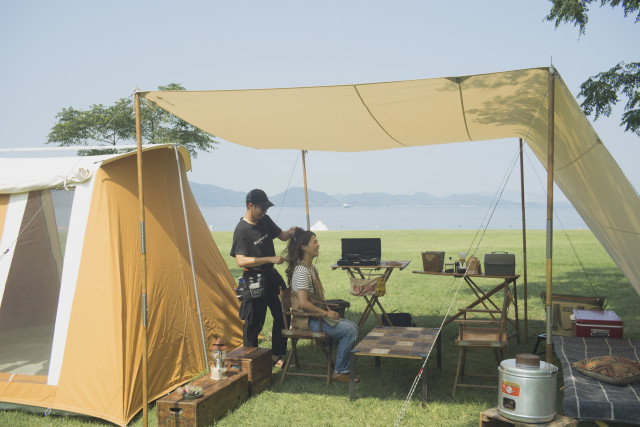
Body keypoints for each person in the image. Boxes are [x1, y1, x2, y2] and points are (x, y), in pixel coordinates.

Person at [284, 227, 360, 383]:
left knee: (353, 326)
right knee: (348, 331)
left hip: (315, 316)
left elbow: (315, 298)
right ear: (304, 247)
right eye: (315, 242)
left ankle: (342, 367)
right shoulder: (302, 271)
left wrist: (327, 309)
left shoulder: (312, 268)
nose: (318, 245)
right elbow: (304, 303)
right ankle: (339, 371)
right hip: (306, 319)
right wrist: (325, 314)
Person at [230, 189, 296, 368]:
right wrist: (269, 258)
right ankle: (251, 363)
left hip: (271, 276)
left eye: (266, 208)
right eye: (262, 208)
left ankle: (276, 356)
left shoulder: (264, 220)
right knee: (254, 322)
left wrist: (290, 232)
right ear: (250, 205)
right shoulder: (241, 229)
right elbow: (241, 261)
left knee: (283, 313)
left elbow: (281, 235)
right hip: (253, 279)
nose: (265, 212)